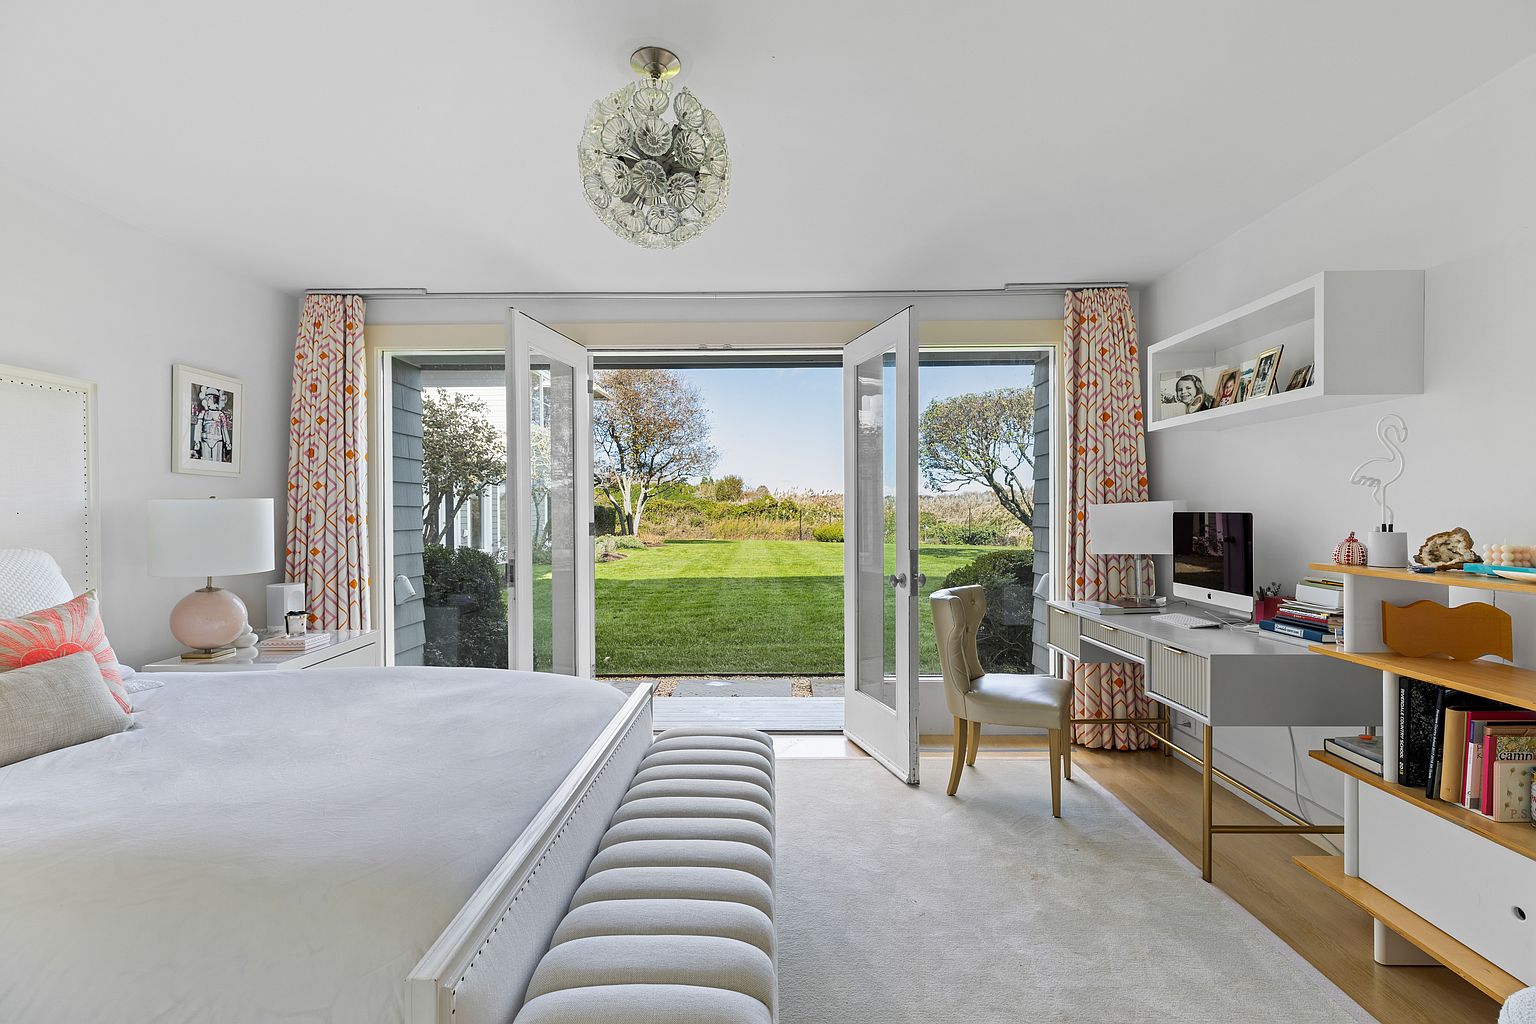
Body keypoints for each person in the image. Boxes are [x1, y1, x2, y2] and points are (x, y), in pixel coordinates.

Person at [191, 386, 233, 463]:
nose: (212, 400)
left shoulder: (221, 414)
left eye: (214, 398)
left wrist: (228, 443)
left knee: (217, 462)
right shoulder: (203, 413)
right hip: (205, 440)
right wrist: (197, 442)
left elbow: (224, 429)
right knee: (205, 461)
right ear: (207, 399)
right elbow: (198, 427)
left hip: (218, 440)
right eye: (210, 398)